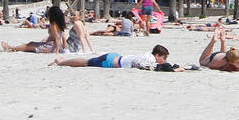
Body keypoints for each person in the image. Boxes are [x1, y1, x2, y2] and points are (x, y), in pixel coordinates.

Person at [50, 44, 184, 72]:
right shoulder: (150, 59)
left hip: (116, 57)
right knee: (85, 63)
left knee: (86, 62)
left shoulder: (148, 56)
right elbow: (142, 65)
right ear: (158, 55)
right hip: (111, 62)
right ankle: (61, 62)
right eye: (164, 58)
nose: (164, 61)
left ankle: (62, 61)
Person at [1, 6, 67, 53]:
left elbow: (57, 37)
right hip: (54, 46)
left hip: (51, 46)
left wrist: (57, 51)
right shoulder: (60, 24)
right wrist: (64, 48)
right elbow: (63, 37)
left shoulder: (53, 23)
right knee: (30, 44)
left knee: (28, 45)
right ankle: (12, 48)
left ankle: (10, 47)